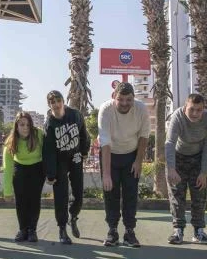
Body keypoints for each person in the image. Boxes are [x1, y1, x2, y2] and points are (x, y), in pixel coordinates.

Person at [98, 81, 150, 247]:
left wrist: (138, 161)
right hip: (110, 155)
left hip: (131, 155)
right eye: (121, 99)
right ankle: (112, 231)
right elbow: (104, 143)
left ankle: (129, 232)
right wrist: (106, 174)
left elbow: (144, 136)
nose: (125, 103)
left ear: (133, 99)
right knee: (110, 193)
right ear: (114, 97)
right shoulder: (105, 110)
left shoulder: (141, 109)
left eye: (129, 100)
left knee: (130, 194)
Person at [165, 93, 207, 245]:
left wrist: (204, 172)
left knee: (199, 196)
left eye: (199, 110)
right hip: (178, 157)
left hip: (198, 158)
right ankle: (178, 231)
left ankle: (199, 232)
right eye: (191, 109)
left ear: (203, 109)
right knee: (177, 196)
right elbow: (169, 143)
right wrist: (171, 169)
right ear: (185, 107)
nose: (195, 113)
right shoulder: (177, 117)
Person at [43, 90, 90, 245]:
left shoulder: (75, 115)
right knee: (61, 195)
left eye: (58, 101)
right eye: (52, 102)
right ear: (49, 105)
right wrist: (51, 173)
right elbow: (48, 150)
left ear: (63, 101)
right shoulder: (49, 124)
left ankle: (73, 216)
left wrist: (84, 151)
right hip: (59, 161)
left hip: (75, 156)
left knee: (78, 193)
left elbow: (84, 134)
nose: (56, 105)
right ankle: (62, 228)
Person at [3, 111, 45, 242]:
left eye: (27, 124)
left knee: (34, 200)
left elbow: (48, 153)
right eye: (22, 124)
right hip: (19, 169)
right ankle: (23, 230)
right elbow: (8, 169)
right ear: (16, 126)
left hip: (37, 169)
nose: (25, 127)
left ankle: (32, 230)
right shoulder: (10, 142)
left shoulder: (39, 134)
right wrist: (7, 191)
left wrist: (50, 173)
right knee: (21, 201)